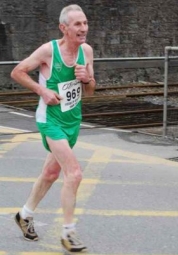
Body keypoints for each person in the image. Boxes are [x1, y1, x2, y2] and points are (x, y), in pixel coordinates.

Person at [10, 4, 96, 253]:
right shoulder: (49, 51)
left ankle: (24, 215)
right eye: (78, 24)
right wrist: (43, 90)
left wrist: (87, 79)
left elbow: (90, 92)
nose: (83, 29)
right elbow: (18, 71)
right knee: (75, 174)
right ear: (64, 28)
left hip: (73, 120)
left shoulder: (87, 51)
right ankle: (68, 233)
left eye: (85, 23)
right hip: (51, 120)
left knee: (50, 173)